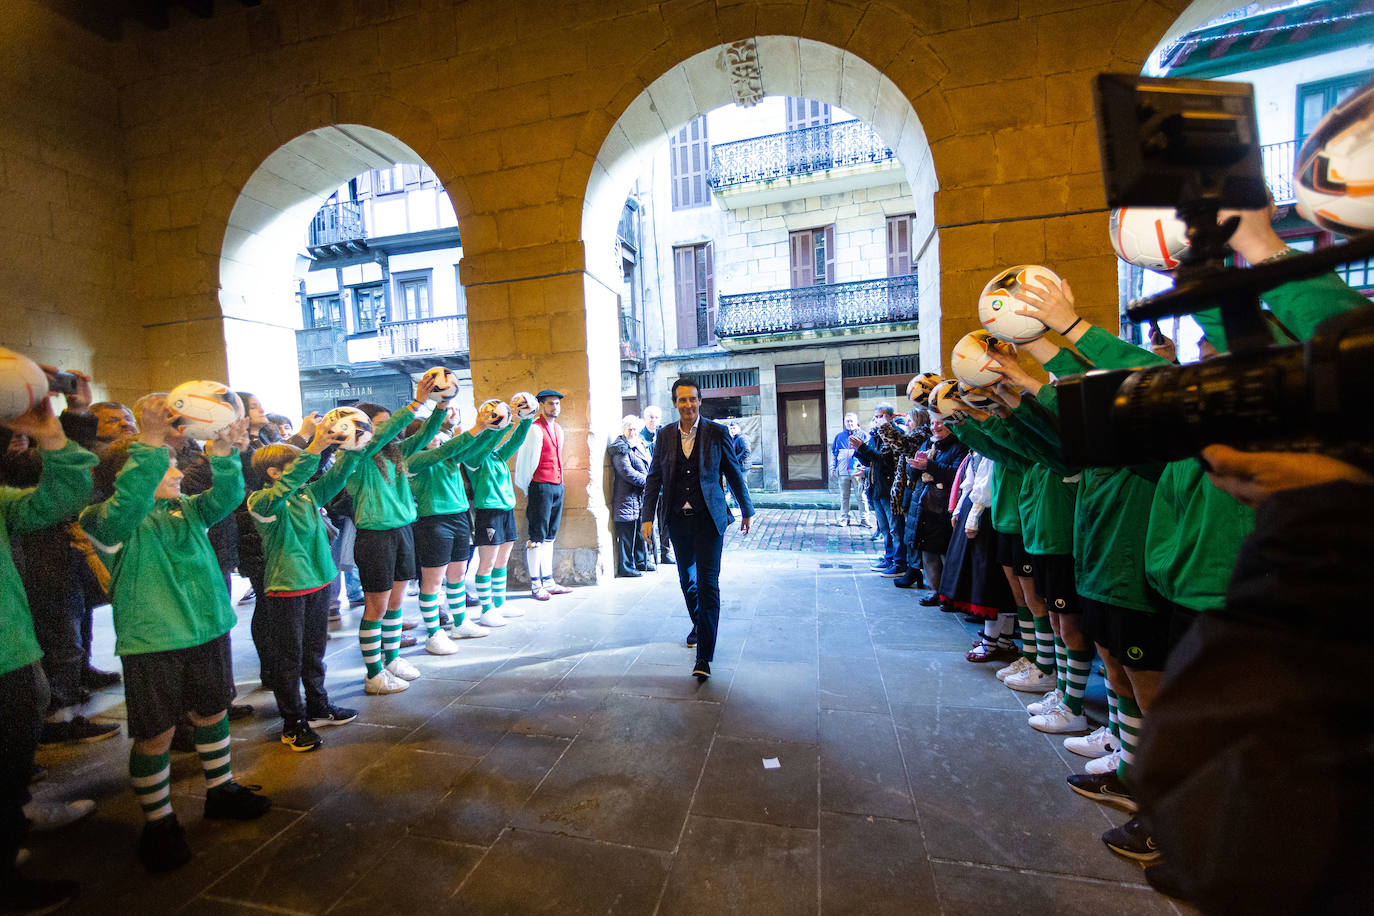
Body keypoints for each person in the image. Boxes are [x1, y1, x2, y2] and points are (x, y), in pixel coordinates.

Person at [81, 408, 270, 874]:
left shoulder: (183, 507)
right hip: (153, 641)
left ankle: (221, 789)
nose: (175, 470)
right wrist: (146, 441)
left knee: (212, 710)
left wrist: (224, 452)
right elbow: (123, 508)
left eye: (171, 461)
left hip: (206, 628)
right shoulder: (105, 519)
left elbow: (226, 496)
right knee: (156, 733)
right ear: (127, 476)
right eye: (162, 463)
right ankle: (159, 822)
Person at [1, 395, 98, 911]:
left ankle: (11, 833)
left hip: (10, 651)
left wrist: (53, 435)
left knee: (14, 757)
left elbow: (62, 497)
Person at [247, 423, 360, 752]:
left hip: (320, 580)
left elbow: (337, 478)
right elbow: (290, 484)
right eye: (295, 465)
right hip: (288, 586)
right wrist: (312, 450)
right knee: (288, 659)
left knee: (314, 651)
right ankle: (292, 723)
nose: (305, 471)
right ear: (273, 472)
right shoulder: (261, 502)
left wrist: (350, 450)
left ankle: (318, 707)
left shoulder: (306, 494)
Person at [640, 377, 754, 681]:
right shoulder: (664, 435)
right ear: (675, 403)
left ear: (700, 401)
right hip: (677, 520)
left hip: (709, 519)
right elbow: (654, 478)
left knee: (708, 584)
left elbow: (733, 471)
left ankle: (704, 655)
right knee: (687, 581)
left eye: (692, 399)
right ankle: (699, 623)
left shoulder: (717, 433)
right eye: (681, 400)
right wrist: (647, 516)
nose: (687, 405)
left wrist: (746, 509)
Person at [345, 380, 448, 695]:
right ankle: (373, 674)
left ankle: (391, 660)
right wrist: (415, 404)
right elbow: (388, 435)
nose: (390, 431)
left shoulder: (396, 455)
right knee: (376, 606)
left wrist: (440, 406)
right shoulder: (357, 457)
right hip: (375, 537)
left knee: (396, 603)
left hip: (403, 530)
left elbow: (426, 436)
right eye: (380, 425)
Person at [408, 403, 506, 649]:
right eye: (430, 434)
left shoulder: (449, 456)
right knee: (433, 581)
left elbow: (476, 448)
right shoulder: (413, 460)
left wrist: (499, 426)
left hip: (459, 518)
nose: (436, 438)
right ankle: (434, 633)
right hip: (432, 522)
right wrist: (479, 426)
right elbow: (449, 448)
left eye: (436, 434)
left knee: (458, 575)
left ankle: (460, 623)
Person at [465, 398, 535, 627]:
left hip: (505, 509)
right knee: (487, 562)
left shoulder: (496, 457)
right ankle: (486, 609)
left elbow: (516, 440)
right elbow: (488, 440)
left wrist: (526, 418)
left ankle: (500, 602)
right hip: (488, 513)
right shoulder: (473, 457)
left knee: (502, 560)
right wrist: (503, 421)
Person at [516, 389, 572, 599]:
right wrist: (527, 486)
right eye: (550, 404)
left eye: (557, 403)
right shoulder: (534, 429)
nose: (555, 407)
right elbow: (526, 459)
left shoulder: (558, 429)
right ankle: (535, 584)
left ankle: (548, 580)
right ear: (541, 405)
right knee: (537, 536)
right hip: (540, 485)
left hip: (557, 485)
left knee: (550, 536)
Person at [852, 404, 899, 575]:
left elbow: (885, 460)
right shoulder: (875, 435)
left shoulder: (894, 435)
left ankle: (899, 562)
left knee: (895, 529)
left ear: (891, 417)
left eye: (881, 416)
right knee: (885, 528)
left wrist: (863, 448)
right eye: (876, 416)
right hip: (876, 488)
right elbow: (869, 461)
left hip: (888, 488)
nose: (877, 419)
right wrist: (859, 450)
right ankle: (889, 558)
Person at [608, 414, 651, 577]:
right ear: (623, 430)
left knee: (639, 530)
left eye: (634, 429)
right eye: (629, 429)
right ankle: (625, 566)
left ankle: (641, 561)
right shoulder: (621, 447)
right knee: (626, 533)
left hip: (639, 496)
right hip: (626, 497)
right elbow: (626, 471)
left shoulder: (640, 444)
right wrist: (647, 482)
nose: (632, 432)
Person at [639, 405, 670, 565]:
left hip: (665, 486)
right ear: (645, 419)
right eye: (650, 417)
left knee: (665, 520)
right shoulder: (639, 436)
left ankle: (666, 551)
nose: (653, 420)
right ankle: (650, 554)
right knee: (649, 520)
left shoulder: (664, 435)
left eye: (656, 417)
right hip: (649, 487)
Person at [831, 412, 867, 526]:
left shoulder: (863, 435)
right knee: (844, 496)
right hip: (842, 472)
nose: (850, 423)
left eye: (852, 421)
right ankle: (844, 518)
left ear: (856, 422)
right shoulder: (839, 437)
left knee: (861, 496)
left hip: (858, 472)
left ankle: (864, 518)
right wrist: (833, 468)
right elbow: (834, 453)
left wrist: (865, 469)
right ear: (844, 423)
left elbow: (869, 454)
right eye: (847, 421)